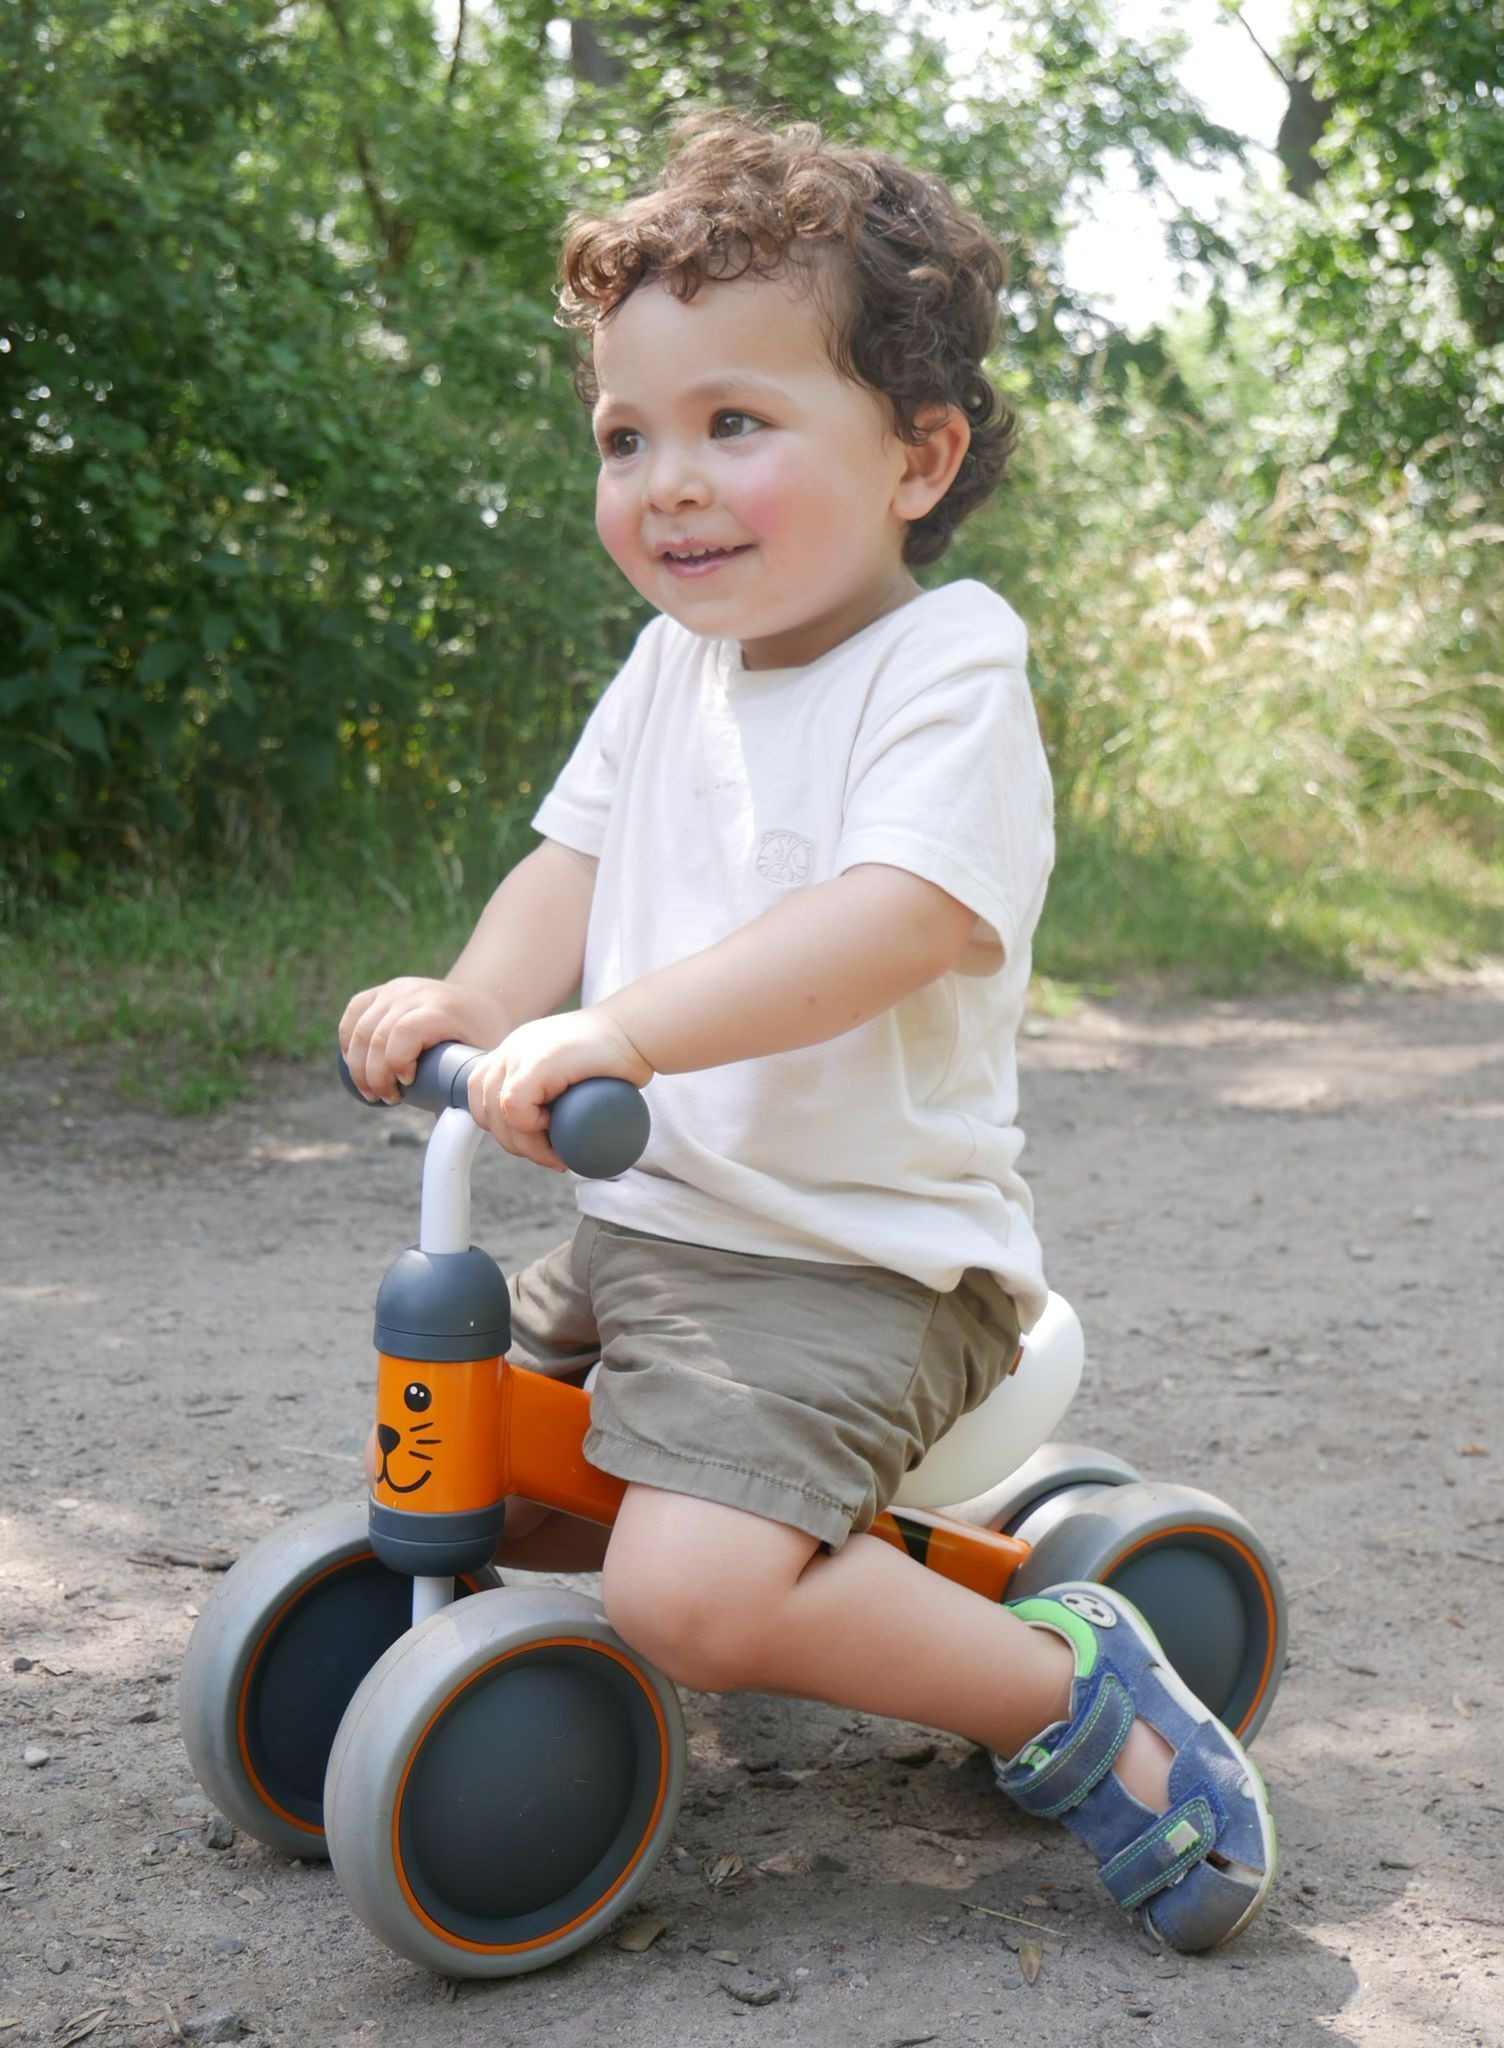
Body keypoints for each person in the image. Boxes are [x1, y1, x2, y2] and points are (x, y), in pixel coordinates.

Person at [339, 109, 1275, 1953]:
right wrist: (482, 1002)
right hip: (661, 1236)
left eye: (734, 423)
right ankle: (443, 1702)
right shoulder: (668, 667)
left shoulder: (947, 668)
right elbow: (567, 864)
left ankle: (1073, 1692)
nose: (669, 482)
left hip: (860, 1266)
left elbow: (890, 922)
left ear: (919, 455)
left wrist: (623, 1032)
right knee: (476, 1469)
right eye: (627, 438)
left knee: (686, 1596)